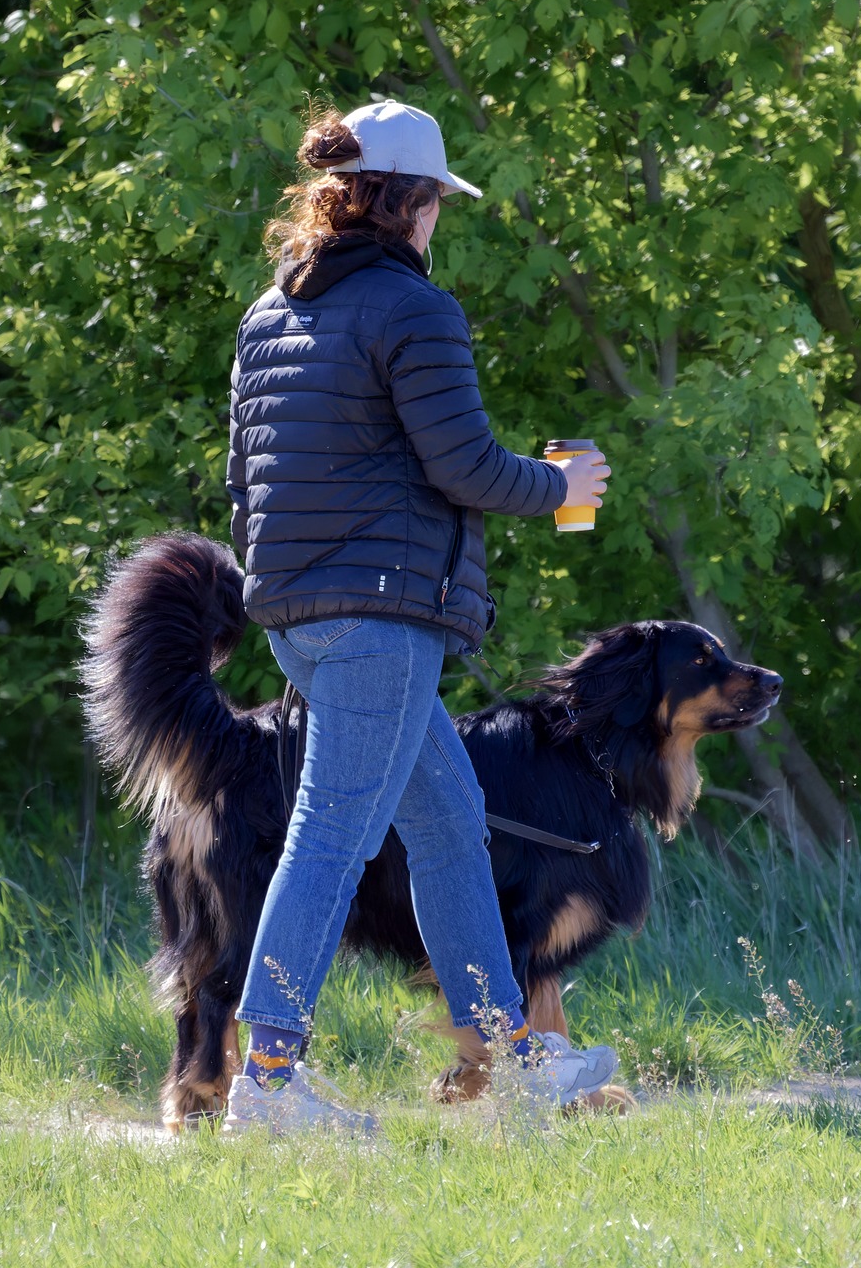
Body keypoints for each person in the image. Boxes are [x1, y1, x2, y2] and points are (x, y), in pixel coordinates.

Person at [220, 99, 615, 1133]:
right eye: (437, 197)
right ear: (406, 200)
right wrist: (561, 487)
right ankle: (266, 1077)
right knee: (332, 833)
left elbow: (242, 481)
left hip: (299, 613)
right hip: (381, 617)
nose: (441, 216)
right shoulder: (414, 310)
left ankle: (518, 1054)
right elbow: (468, 466)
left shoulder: (270, 314)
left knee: (447, 826)